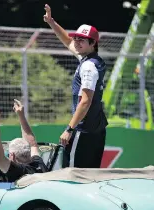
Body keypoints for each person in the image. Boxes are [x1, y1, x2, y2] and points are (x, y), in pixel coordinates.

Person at [43, 4, 108, 168]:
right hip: (95, 128)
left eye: (82, 40)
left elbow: (85, 101)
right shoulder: (92, 60)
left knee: (73, 175)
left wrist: (69, 129)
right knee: (90, 176)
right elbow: (67, 40)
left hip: (83, 130)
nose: (77, 42)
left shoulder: (88, 66)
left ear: (93, 43)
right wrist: (51, 22)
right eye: (76, 38)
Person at [0, 99, 48, 182]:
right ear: (29, 153)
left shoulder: (19, 171)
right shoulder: (39, 164)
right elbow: (33, 144)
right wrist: (21, 115)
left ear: (12, 156)